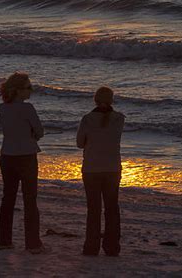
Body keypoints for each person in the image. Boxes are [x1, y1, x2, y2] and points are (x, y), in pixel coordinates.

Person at [0, 71, 47, 254]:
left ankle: (4, 240)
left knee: (8, 198)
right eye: (28, 88)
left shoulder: (2, 108)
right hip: (26, 156)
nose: (31, 91)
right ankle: (32, 243)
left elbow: (11, 129)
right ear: (18, 91)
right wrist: (32, 135)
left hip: (7, 155)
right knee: (30, 200)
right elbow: (39, 131)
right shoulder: (28, 109)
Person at [76, 86, 125, 257]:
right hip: (112, 168)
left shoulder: (87, 119)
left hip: (91, 168)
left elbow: (79, 143)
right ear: (112, 100)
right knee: (112, 208)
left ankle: (91, 247)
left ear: (95, 100)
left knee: (93, 209)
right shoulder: (119, 119)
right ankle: (112, 247)